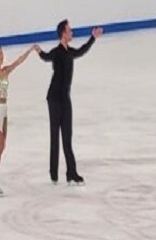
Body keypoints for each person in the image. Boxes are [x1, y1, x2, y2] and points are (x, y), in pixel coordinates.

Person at [37, 20, 103, 185]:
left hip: (65, 100)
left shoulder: (70, 52)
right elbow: (46, 57)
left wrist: (93, 38)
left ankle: (71, 173)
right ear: (63, 34)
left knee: (67, 137)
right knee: (55, 137)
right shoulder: (57, 52)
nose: (72, 32)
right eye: (70, 30)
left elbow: (82, 50)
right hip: (54, 99)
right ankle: (53, 173)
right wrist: (38, 51)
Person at [0, 16, 37, 196]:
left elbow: (19, 61)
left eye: (2, 53)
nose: (2, 55)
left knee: (2, 146)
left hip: (4, 113)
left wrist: (30, 49)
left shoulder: (5, 71)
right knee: (0, 144)